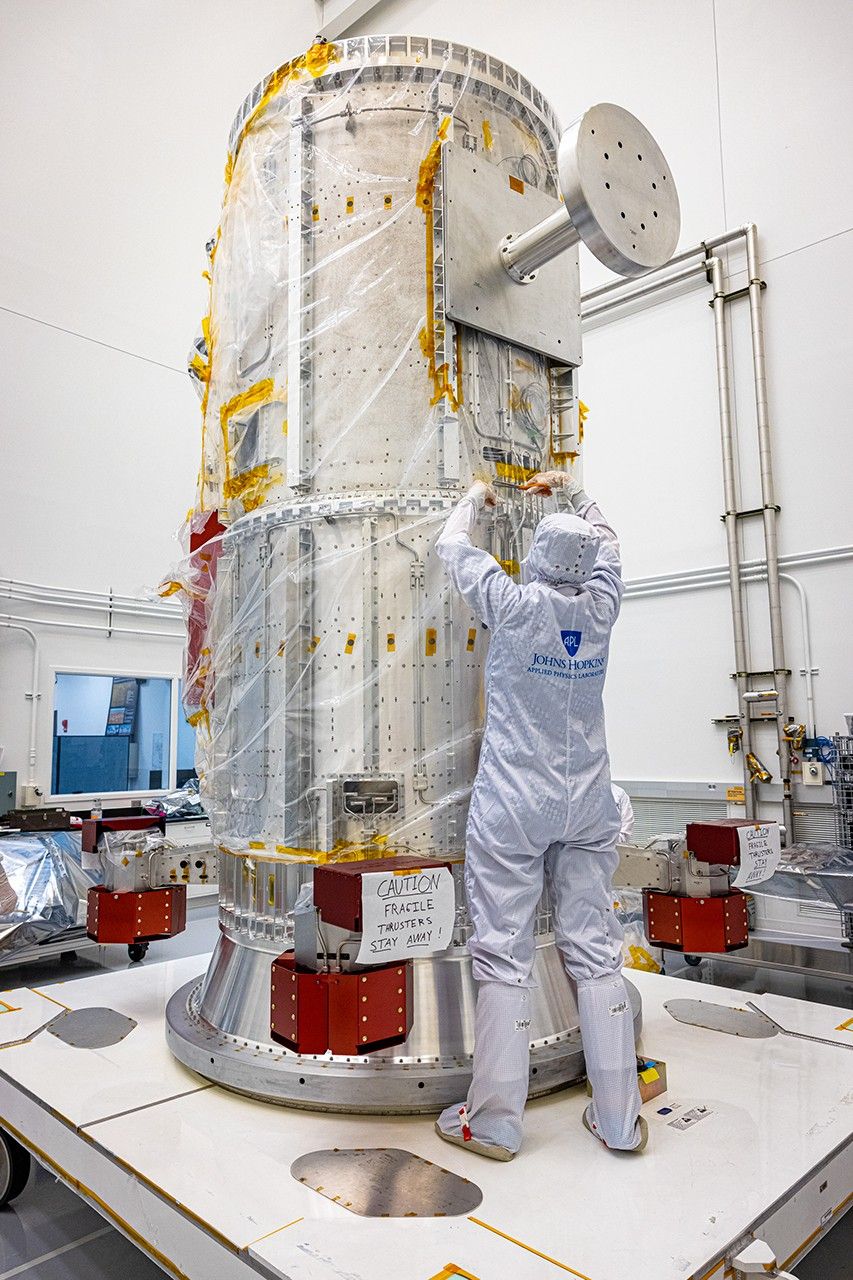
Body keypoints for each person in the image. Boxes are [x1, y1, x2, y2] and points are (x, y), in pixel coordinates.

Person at [433, 470, 646, 1160]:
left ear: (537, 561)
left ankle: (494, 1122)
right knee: (594, 947)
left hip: (514, 803)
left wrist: (473, 497)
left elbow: (449, 545)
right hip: (587, 799)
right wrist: (576, 490)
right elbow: (609, 543)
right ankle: (618, 1120)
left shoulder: (514, 604)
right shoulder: (603, 604)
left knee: (502, 950)